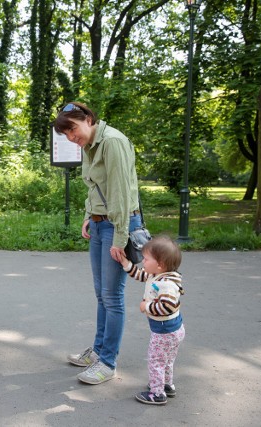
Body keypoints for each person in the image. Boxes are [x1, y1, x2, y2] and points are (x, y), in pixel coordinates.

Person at [54, 101, 141, 385]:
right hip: (100, 222)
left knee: (113, 297)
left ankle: (108, 363)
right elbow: (96, 187)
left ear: (89, 119)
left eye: (73, 129)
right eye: (65, 134)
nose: (71, 137)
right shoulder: (90, 146)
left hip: (118, 225)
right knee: (102, 294)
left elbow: (121, 195)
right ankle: (99, 351)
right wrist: (88, 215)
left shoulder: (112, 142)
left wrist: (120, 237)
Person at [119, 236, 185, 405]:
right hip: (172, 330)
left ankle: (157, 393)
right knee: (167, 360)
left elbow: (168, 306)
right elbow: (140, 275)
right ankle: (167, 385)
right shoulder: (156, 275)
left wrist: (146, 306)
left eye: (146, 259)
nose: (143, 262)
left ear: (160, 264)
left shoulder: (167, 284)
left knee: (156, 361)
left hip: (165, 331)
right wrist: (125, 263)